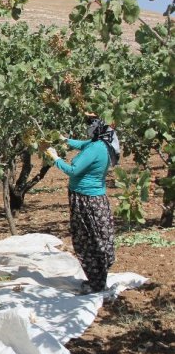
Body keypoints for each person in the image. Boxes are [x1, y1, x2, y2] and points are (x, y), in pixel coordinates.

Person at [46, 114, 120, 294]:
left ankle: (95, 283)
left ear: (98, 128)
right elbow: (82, 144)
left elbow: (73, 170)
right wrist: (64, 140)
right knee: (97, 238)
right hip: (95, 199)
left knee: (87, 239)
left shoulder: (95, 149)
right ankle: (98, 279)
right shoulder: (102, 144)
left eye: (90, 125)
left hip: (86, 200)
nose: (88, 128)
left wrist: (55, 157)